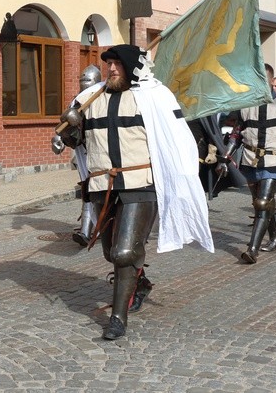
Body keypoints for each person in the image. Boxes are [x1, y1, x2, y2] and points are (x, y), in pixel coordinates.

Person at [58, 45, 213, 341]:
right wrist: (69, 126)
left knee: (124, 251)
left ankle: (118, 317)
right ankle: (139, 283)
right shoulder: (89, 99)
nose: (112, 69)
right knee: (110, 253)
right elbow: (75, 141)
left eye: (117, 64)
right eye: (109, 64)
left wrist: (180, 180)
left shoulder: (153, 97)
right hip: (103, 186)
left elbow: (175, 139)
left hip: (140, 183)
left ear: (131, 67)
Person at [222, 64, 276, 264]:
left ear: (269, 80)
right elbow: (237, 133)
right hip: (250, 159)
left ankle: (252, 249)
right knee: (260, 205)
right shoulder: (245, 104)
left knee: (263, 202)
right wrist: (226, 157)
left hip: (274, 159)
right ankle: (275, 236)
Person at [52, 64, 101, 246]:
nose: (85, 83)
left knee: (101, 189)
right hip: (84, 150)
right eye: (82, 80)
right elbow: (66, 122)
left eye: (88, 80)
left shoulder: (102, 97)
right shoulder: (78, 101)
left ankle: (96, 227)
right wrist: (58, 136)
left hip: (102, 150)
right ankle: (86, 230)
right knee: (87, 187)